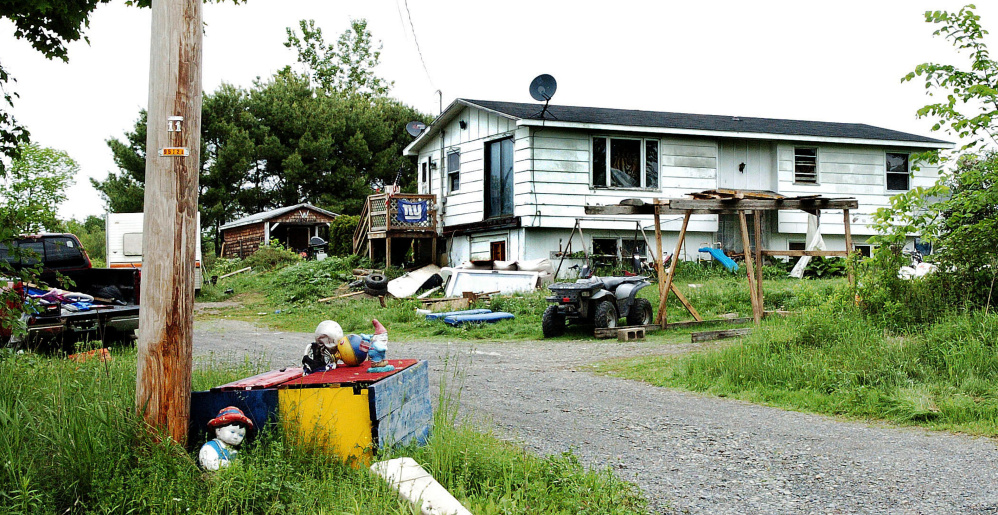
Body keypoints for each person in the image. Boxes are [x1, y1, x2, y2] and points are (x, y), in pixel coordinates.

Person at [198, 406, 253, 471]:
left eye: (240, 435)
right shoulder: (210, 447)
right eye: (232, 432)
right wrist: (226, 464)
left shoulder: (234, 451)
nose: (235, 437)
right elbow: (208, 464)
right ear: (218, 430)